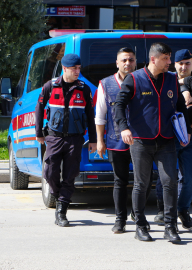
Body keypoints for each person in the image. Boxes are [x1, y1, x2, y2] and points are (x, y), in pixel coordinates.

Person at [114, 42, 192, 243]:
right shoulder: (134, 79)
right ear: (153, 59)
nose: (169, 62)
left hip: (166, 140)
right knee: (141, 184)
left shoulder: (172, 80)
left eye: (169, 58)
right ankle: (140, 226)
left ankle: (170, 226)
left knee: (170, 182)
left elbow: (181, 107)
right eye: (166, 58)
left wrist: (187, 130)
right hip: (141, 141)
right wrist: (124, 127)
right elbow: (119, 105)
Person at [35, 53, 97, 227]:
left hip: (75, 139)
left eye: (79, 68)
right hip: (54, 137)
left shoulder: (84, 89)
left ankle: (61, 210)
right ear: (64, 69)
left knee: (70, 175)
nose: (77, 71)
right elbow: (39, 108)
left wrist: (93, 139)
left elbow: (90, 116)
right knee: (50, 172)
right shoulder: (50, 86)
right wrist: (39, 132)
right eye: (73, 69)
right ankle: (58, 194)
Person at [95, 47, 150, 233]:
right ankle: (120, 219)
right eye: (124, 60)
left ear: (136, 62)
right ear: (117, 63)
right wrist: (100, 141)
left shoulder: (143, 80)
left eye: (131, 60)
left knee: (143, 180)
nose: (128, 64)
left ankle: (138, 214)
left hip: (141, 140)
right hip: (116, 141)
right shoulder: (106, 84)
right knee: (120, 181)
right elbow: (100, 116)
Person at [154, 49, 192, 230]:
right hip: (169, 136)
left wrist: (184, 87)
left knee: (190, 177)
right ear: (174, 64)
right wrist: (185, 93)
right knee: (165, 177)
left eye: (187, 63)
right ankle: (163, 210)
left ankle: (183, 210)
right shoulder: (164, 80)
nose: (183, 67)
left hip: (191, 137)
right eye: (180, 63)